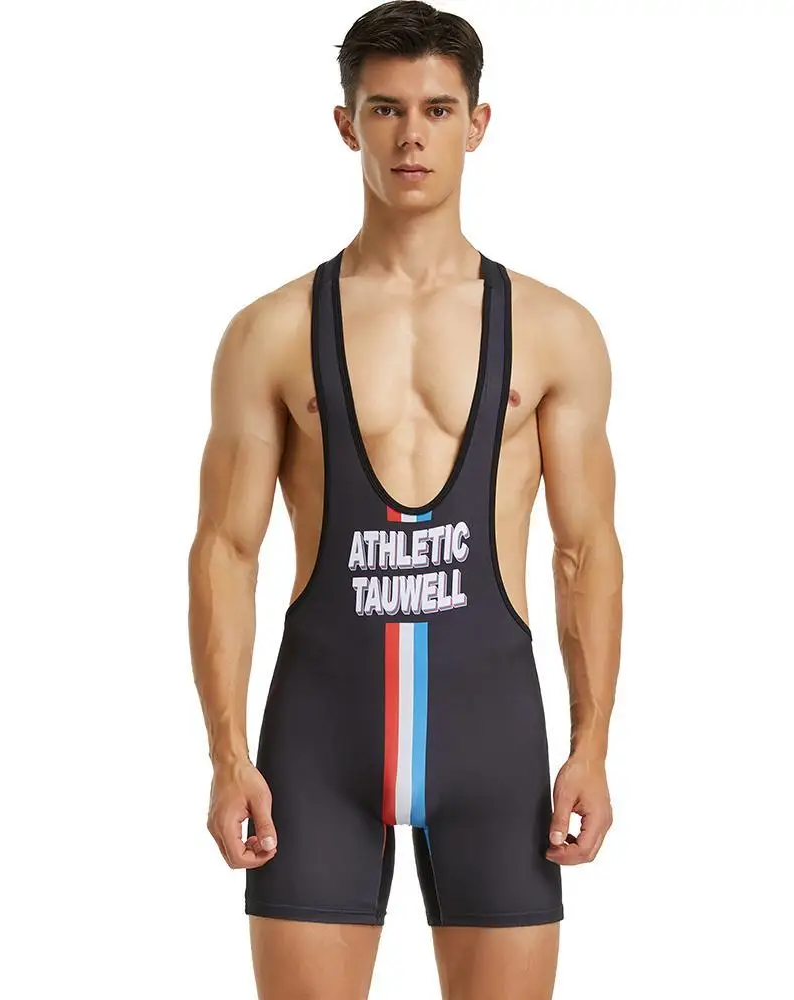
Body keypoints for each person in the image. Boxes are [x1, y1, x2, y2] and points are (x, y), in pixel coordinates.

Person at [187, 2, 623, 997]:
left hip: (493, 746)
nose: (411, 135)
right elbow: (225, 550)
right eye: (385, 109)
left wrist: (592, 747)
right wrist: (225, 755)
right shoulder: (270, 332)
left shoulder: (553, 331)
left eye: (436, 109)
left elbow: (585, 549)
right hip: (316, 748)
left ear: (477, 123)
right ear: (348, 125)